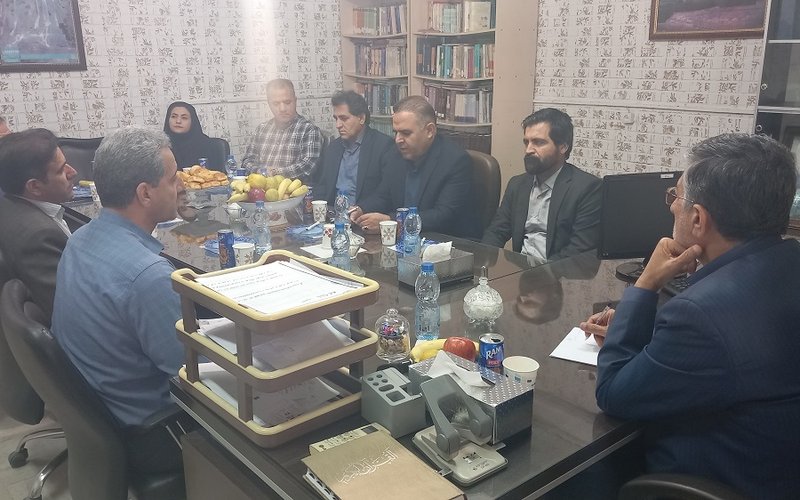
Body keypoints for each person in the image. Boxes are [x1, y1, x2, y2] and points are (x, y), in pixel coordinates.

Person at [584, 133, 800, 499]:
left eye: (676, 197)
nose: (672, 207)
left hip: (715, 480)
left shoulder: (700, 314)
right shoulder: (789, 262)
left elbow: (613, 394)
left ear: (698, 218)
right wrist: (634, 330)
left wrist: (646, 283)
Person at [51, 126, 191, 475]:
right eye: (173, 178)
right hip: (156, 430)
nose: (181, 186)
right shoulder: (148, 275)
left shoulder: (79, 238)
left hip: (101, 409)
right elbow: (190, 374)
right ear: (145, 193)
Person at [349, 95, 480, 239]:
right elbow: (383, 195)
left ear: (429, 131)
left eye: (406, 133)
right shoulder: (394, 154)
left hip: (444, 241)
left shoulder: (455, 161)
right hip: (404, 240)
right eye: (396, 132)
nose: (398, 140)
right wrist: (361, 209)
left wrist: (393, 222)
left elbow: (443, 215)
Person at [481, 108, 601, 264]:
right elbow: (496, 232)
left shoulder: (587, 188)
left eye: (538, 142)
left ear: (563, 146)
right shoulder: (517, 185)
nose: (528, 150)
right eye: (526, 142)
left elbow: (578, 251)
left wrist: (539, 274)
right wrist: (482, 266)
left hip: (559, 274)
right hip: (520, 271)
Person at [0, 128, 76, 319]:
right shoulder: (39, 236)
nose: (73, 172)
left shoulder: (8, 205)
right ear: (34, 186)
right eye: (62, 169)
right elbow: (71, 308)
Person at [313, 90, 393, 205]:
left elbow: (386, 193)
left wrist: (361, 209)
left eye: (344, 118)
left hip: (365, 213)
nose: (338, 125)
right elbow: (322, 186)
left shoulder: (383, 146)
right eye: (336, 119)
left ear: (361, 118)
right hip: (332, 212)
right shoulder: (333, 148)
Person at [241, 78, 324, 182]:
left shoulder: (309, 130)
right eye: (276, 104)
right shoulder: (262, 129)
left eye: (287, 102)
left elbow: (308, 166)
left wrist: (275, 172)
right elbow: (247, 161)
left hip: (292, 190)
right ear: (269, 104)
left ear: (295, 101)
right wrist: (261, 171)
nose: (282, 109)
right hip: (260, 189)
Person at [163, 101, 225, 172]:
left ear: (192, 122)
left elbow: (217, 175)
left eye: (184, 118)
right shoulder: (160, 147)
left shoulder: (208, 146)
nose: (178, 121)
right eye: (174, 117)